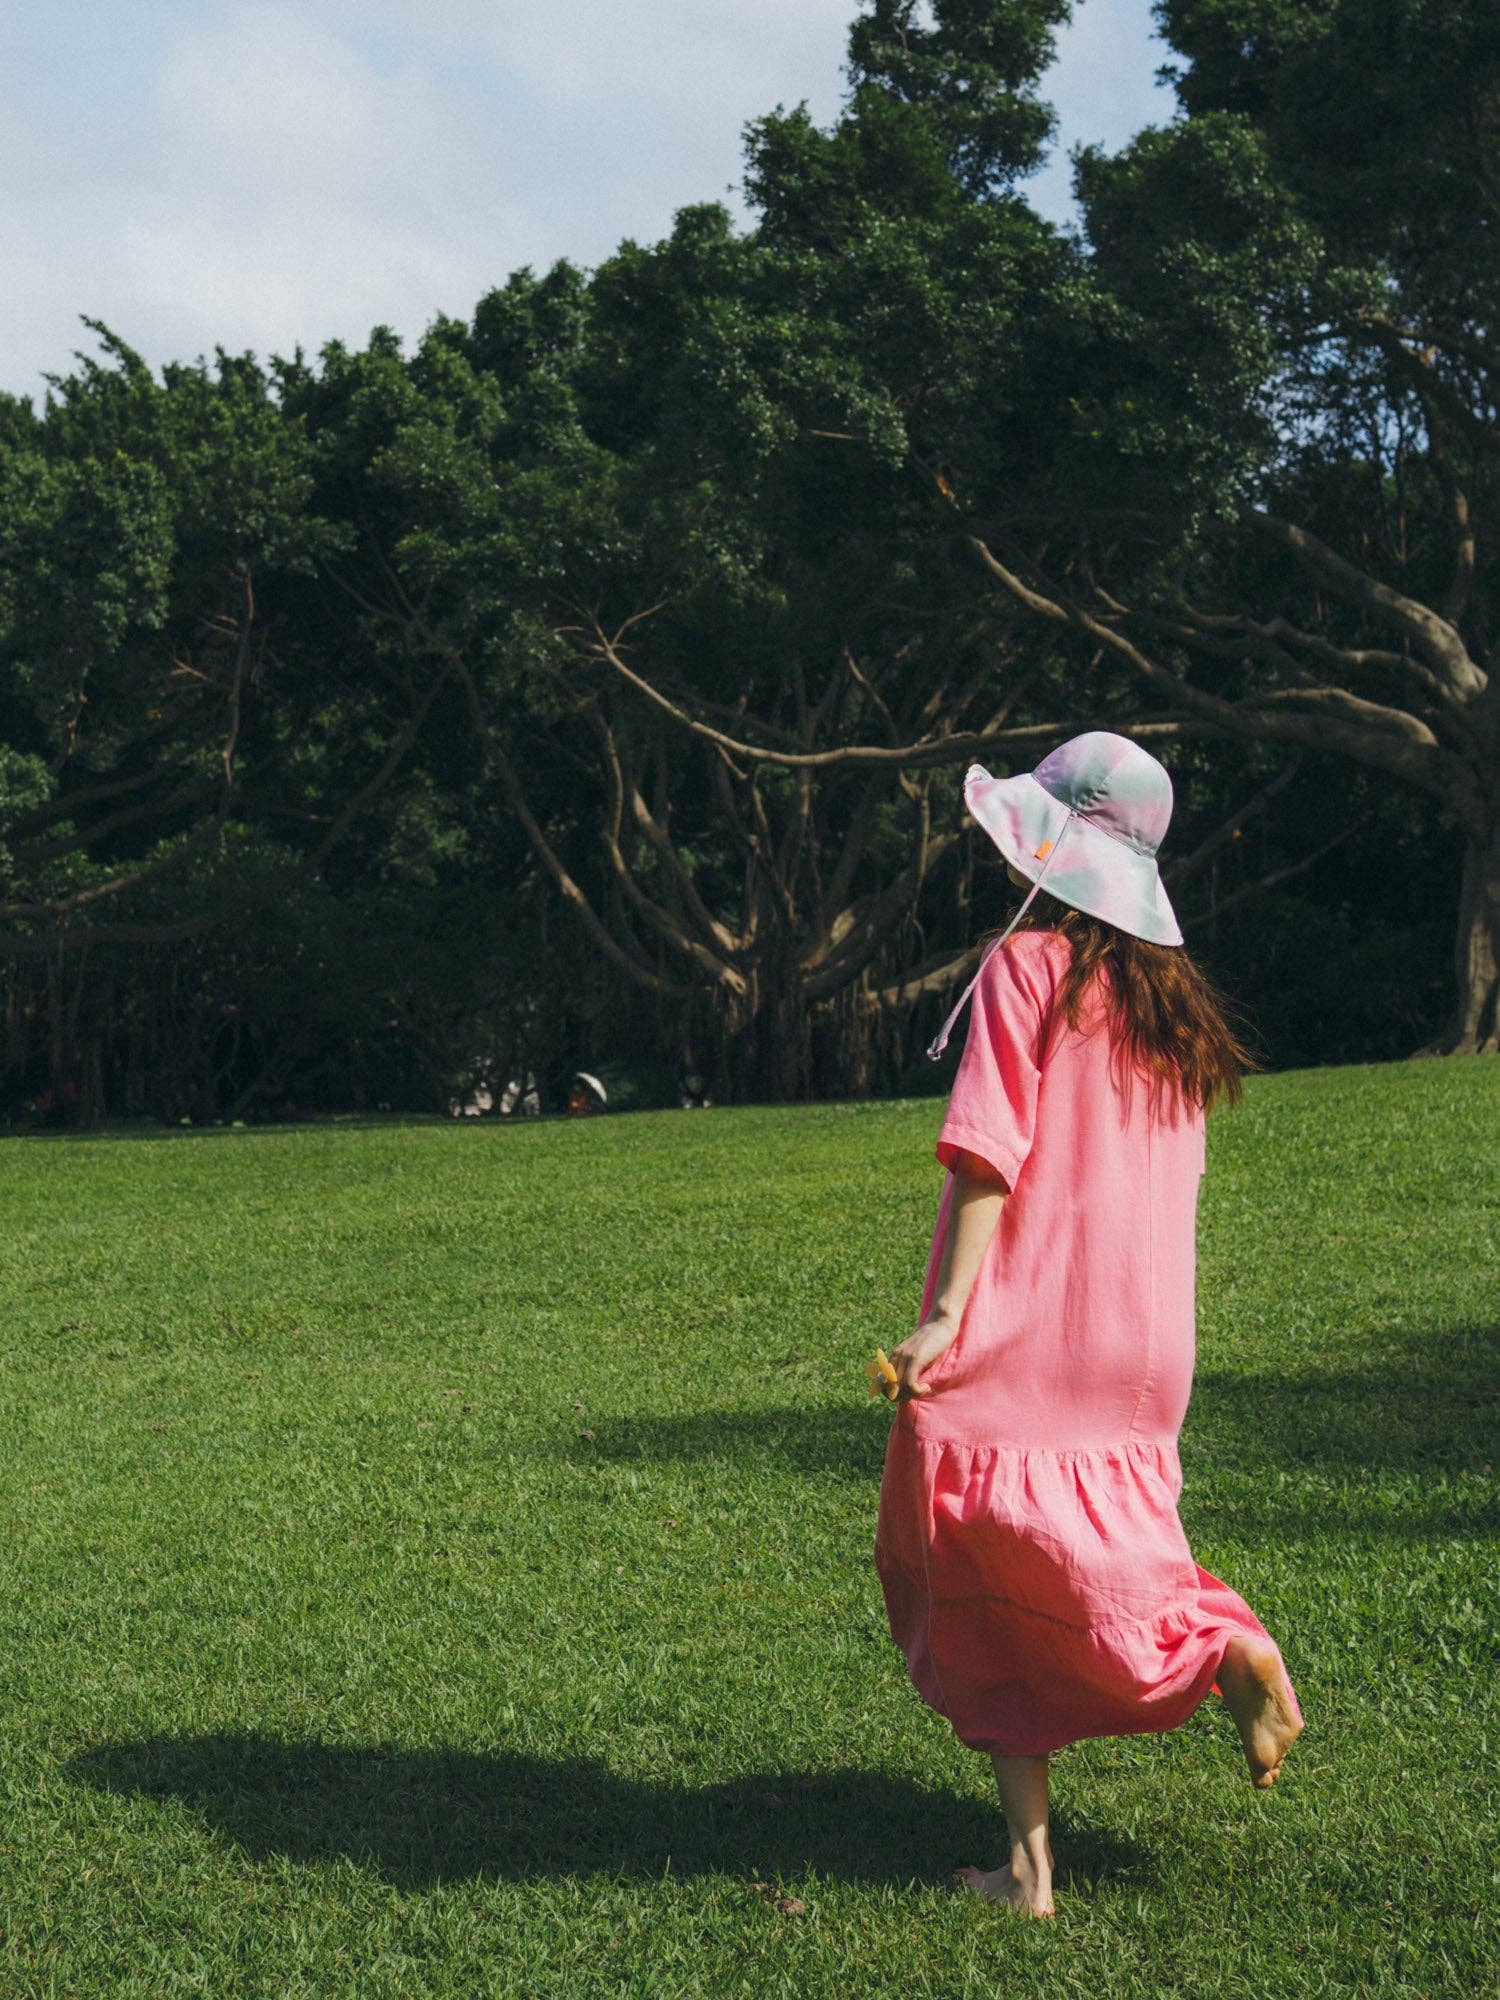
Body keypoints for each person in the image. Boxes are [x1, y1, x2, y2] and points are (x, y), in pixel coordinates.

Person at [872, 732, 1304, 1921]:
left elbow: (989, 1156)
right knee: (1082, 1546)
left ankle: (1206, 1657)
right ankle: (1031, 1863)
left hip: (1028, 1328)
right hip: (1142, 1343)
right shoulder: (1177, 1012)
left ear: (1051, 849)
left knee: (974, 1558)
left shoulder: (1027, 967)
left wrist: (946, 1317)